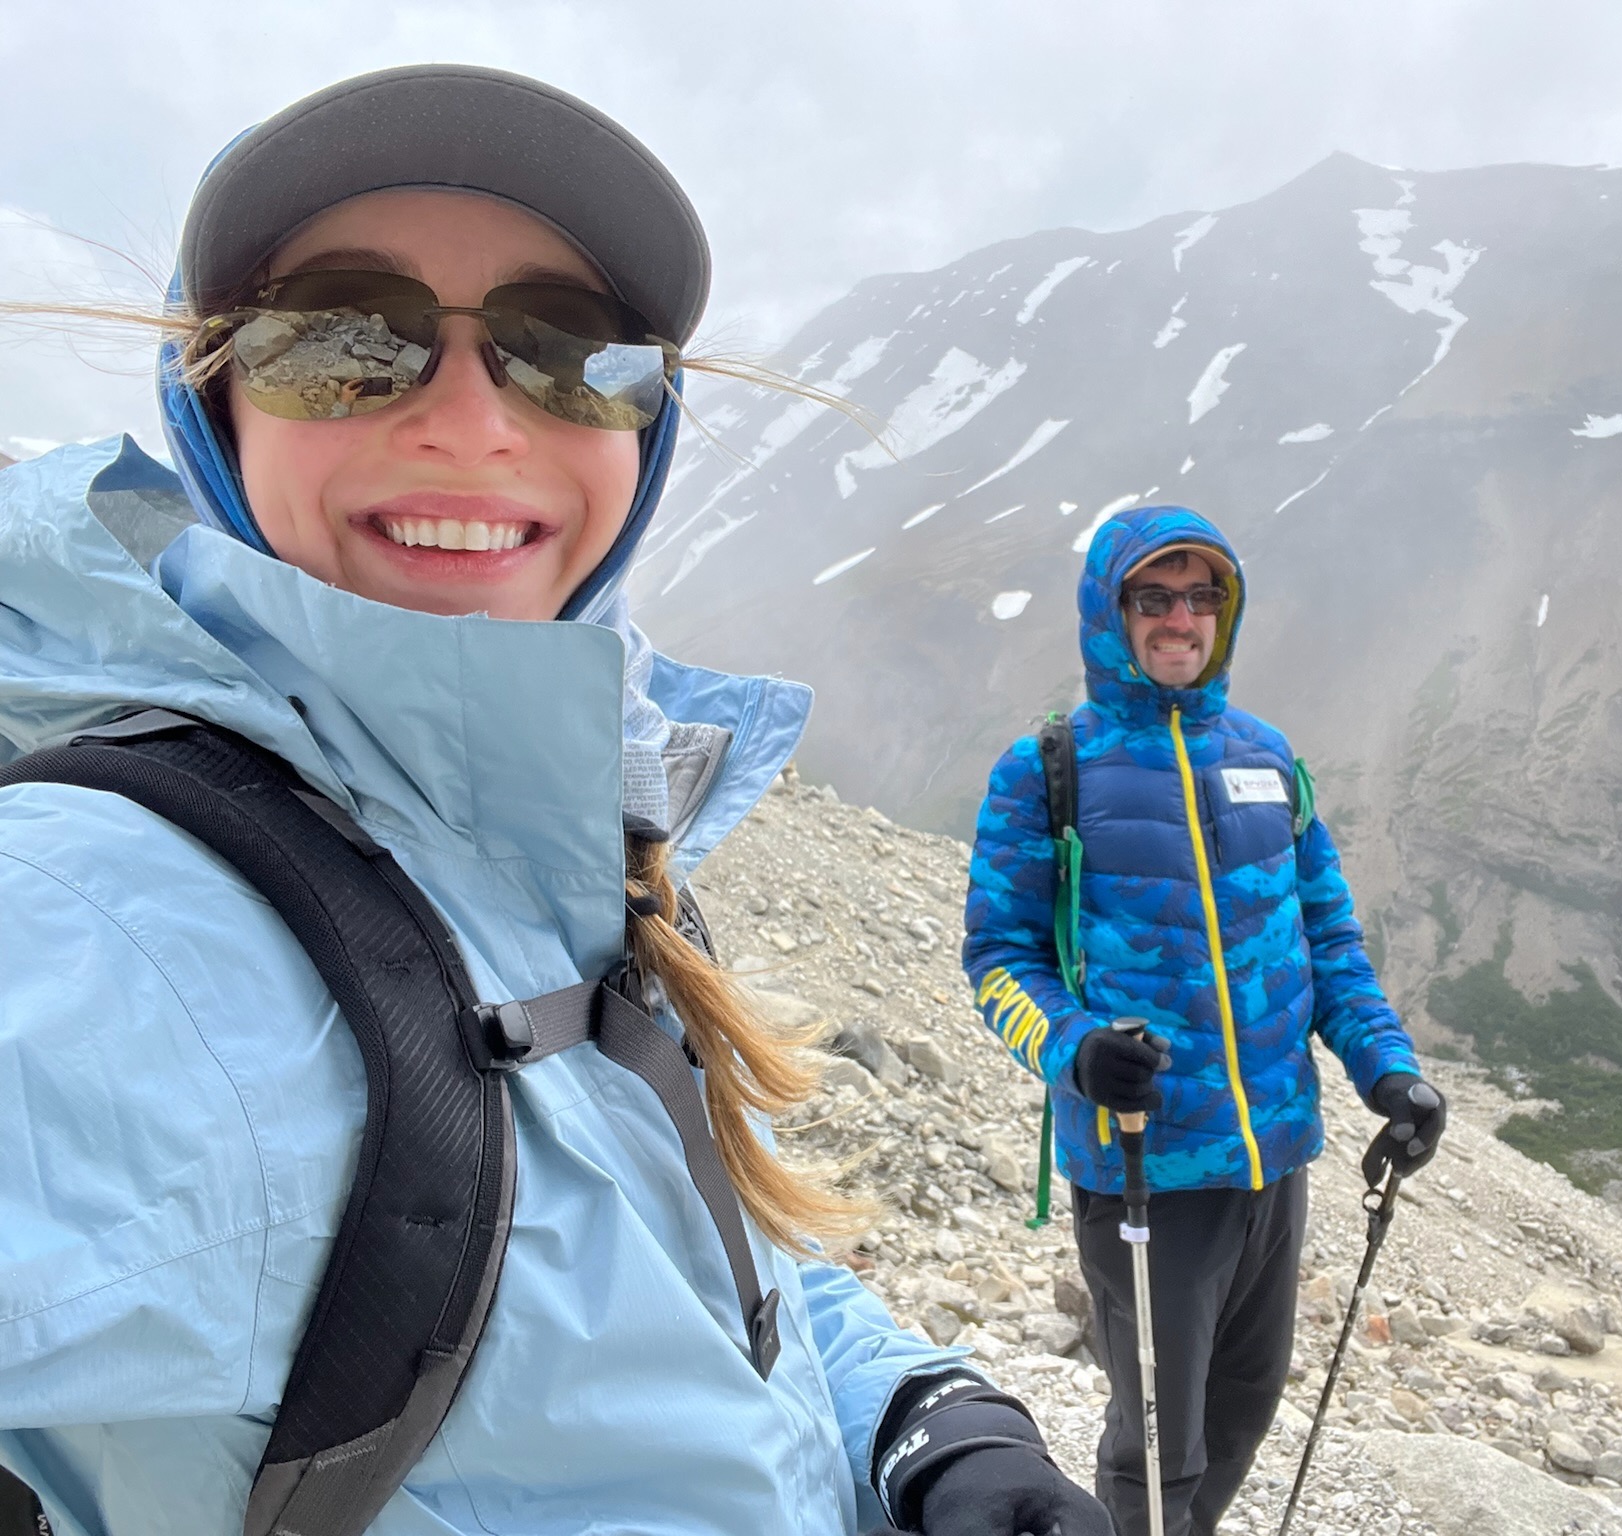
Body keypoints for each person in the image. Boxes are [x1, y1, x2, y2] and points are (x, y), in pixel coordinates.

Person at [0, 65, 1109, 1536]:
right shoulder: (91, 917)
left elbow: (668, 1287)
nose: (473, 422)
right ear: (214, 408)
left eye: (567, 352)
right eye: (343, 338)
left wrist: (923, 1420)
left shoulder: (557, 855)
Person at [961, 506, 1448, 1536]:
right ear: (1110, 611)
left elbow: (1326, 947)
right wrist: (1074, 1047)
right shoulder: (1047, 769)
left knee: (1239, 1413)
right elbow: (998, 962)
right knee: (1153, 1448)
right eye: (1153, 596)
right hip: (1143, 1166)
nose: (1179, 619)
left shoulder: (1268, 758)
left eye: (1200, 596)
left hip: (1272, 1161)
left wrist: (1388, 1073)